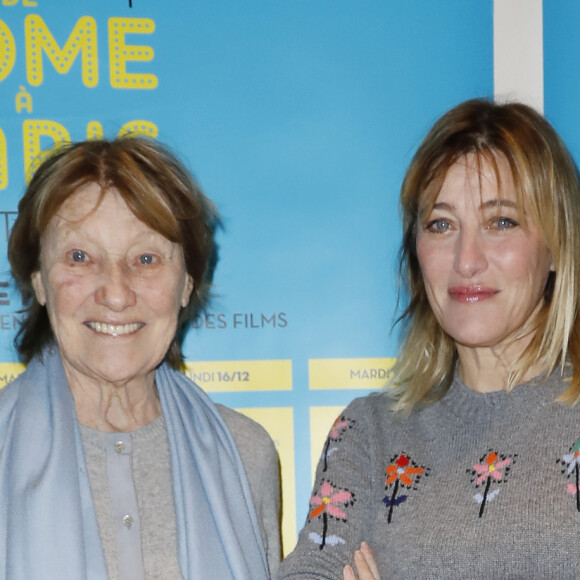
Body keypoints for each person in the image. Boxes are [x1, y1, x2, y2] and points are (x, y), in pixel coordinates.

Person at [278, 98, 580, 579]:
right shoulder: (369, 433)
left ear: (556, 246)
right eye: (441, 225)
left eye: (501, 221)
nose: (466, 259)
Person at [0, 136, 281, 579]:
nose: (115, 292)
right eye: (79, 256)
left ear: (187, 283)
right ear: (38, 280)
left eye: (146, 258)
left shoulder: (247, 454)